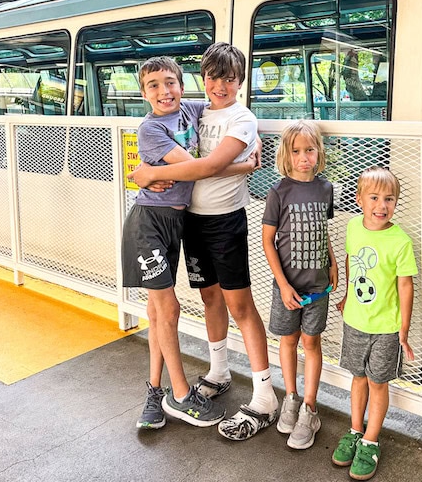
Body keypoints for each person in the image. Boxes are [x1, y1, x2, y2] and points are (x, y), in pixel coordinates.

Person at [130, 42, 279, 440]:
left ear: (241, 81)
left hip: (225, 223)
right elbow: (187, 158)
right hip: (190, 222)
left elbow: (210, 165)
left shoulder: (242, 118)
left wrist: (146, 174)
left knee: (240, 305)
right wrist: (141, 173)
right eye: (213, 77)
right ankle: (219, 370)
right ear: (203, 79)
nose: (220, 85)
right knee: (210, 299)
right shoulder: (197, 110)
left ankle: (265, 393)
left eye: (230, 78)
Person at [333, 166, 417, 481]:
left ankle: (370, 440)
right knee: (358, 378)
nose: (382, 206)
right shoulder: (353, 227)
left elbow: (406, 286)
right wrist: (345, 296)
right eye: (374, 197)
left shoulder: (400, 241)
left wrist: (404, 329)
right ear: (359, 200)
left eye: (389, 199)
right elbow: (352, 260)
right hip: (354, 322)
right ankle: (355, 431)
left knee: (377, 383)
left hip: (386, 328)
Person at [262, 120, 338, 450]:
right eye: (296, 151)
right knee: (288, 340)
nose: (304, 157)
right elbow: (268, 242)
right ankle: (290, 397)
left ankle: (309, 408)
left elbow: (323, 230)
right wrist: (282, 285)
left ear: (319, 152)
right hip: (288, 287)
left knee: (311, 342)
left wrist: (332, 261)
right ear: (287, 154)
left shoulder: (325, 189)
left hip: (318, 284)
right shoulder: (279, 191)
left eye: (309, 150)